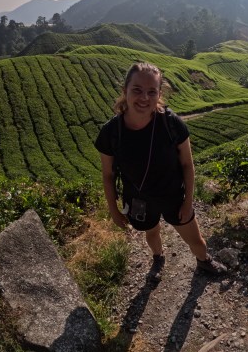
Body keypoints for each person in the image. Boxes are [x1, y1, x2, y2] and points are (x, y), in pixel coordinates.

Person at [94, 62, 226, 279]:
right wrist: (113, 210)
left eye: (151, 92)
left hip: (172, 196)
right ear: (125, 90)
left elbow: (187, 164)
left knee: (196, 241)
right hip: (139, 199)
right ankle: (158, 257)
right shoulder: (111, 132)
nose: (144, 97)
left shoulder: (171, 124)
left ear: (159, 94)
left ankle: (204, 260)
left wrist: (188, 202)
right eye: (137, 90)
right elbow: (108, 175)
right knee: (151, 232)